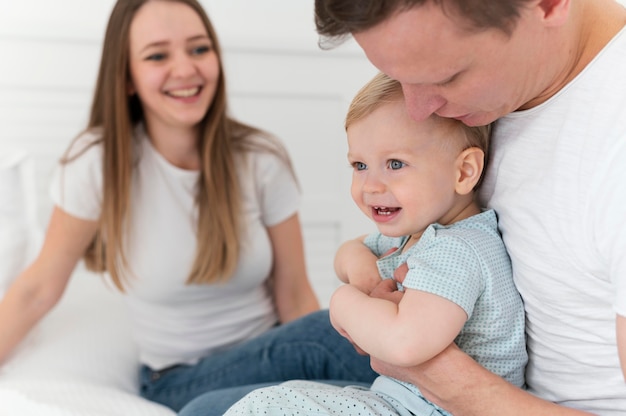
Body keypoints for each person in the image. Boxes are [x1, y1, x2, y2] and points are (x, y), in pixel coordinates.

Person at [0, 0, 378, 412]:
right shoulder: (98, 162)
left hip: (271, 355)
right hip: (178, 382)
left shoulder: (259, 158)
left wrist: (307, 362)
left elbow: (293, 291)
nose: (185, 69)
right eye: (158, 55)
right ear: (127, 77)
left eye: (199, 49)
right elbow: (36, 290)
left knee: (342, 383)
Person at [310, 0, 626, 415]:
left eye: (446, 76)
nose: (418, 109)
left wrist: (450, 383)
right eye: (397, 77)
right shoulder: (519, 77)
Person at [223, 72, 527, 416]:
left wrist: (344, 302)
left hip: (435, 410)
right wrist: (364, 278)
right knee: (276, 400)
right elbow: (350, 251)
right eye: (360, 165)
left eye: (395, 164)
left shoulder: (459, 249)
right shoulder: (422, 232)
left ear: (464, 172)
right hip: (408, 402)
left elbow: (404, 343)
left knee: (270, 407)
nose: (370, 186)